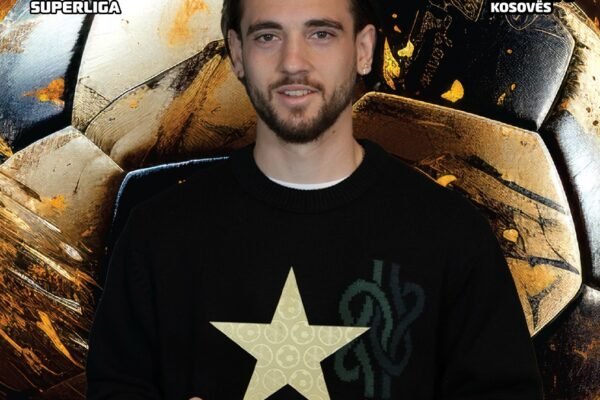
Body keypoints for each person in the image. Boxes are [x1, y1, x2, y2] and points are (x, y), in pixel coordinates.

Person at [86, 0, 544, 398]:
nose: (293, 62)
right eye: (268, 36)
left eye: (321, 34)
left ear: (363, 50)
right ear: (238, 54)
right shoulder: (157, 235)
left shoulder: (450, 235)